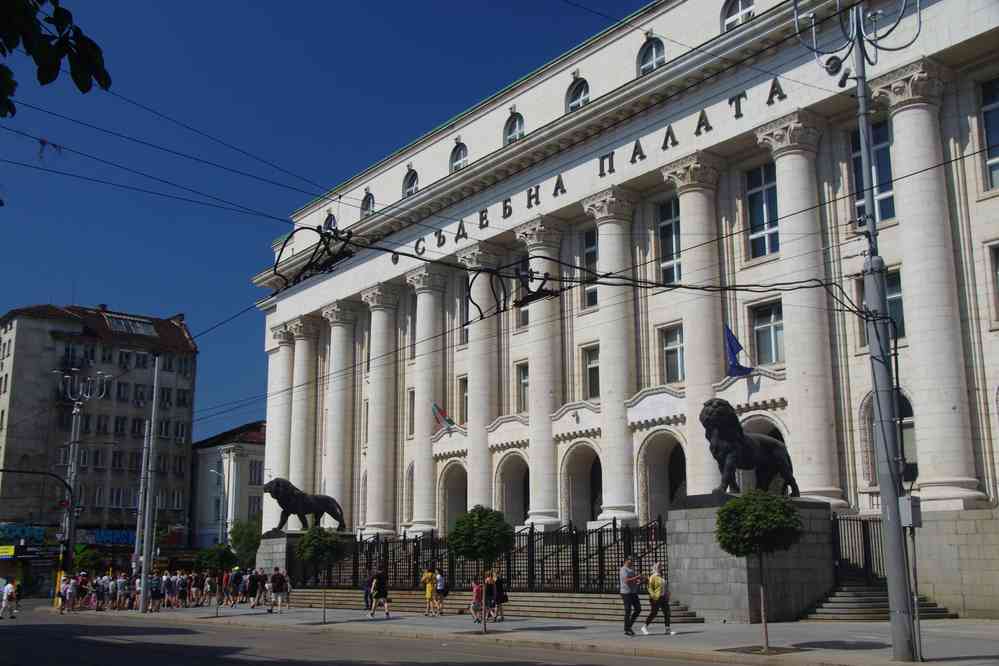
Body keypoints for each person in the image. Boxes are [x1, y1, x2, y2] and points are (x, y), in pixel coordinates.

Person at [640, 562, 674, 636]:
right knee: (654, 613)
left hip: (663, 597)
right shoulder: (653, 577)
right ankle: (644, 627)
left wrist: (667, 593)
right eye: (659, 567)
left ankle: (667, 629)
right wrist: (653, 596)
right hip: (655, 598)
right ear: (655, 568)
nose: (660, 568)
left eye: (661, 567)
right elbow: (649, 587)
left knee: (667, 612)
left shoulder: (661, 577)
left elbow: (664, 587)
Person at [619, 556, 643, 637]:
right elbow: (626, 580)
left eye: (633, 560)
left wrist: (639, 581)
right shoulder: (623, 569)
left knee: (638, 609)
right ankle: (627, 629)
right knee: (628, 610)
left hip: (633, 592)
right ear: (626, 560)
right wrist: (636, 577)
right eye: (631, 560)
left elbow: (633, 580)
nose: (632, 561)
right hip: (626, 592)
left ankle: (629, 626)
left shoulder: (631, 569)